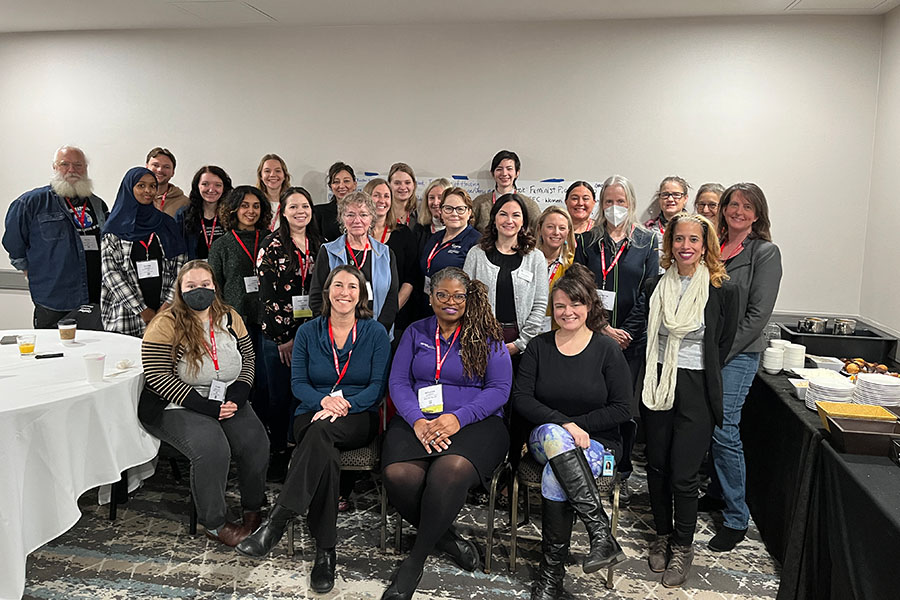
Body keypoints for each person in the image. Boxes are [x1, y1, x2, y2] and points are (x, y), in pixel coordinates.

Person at [237, 265, 390, 596]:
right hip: (312, 411)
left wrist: (344, 404)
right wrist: (323, 400)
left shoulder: (375, 333)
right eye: (338, 285)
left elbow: (377, 388)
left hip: (357, 415)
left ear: (361, 294)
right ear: (327, 291)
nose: (344, 292)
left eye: (352, 286)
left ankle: (276, 522)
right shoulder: (307, 331)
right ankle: (325, 552)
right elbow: (298, 384)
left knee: (322, 435)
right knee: (326, 453)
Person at [380, 267, 512, 600]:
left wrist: (458, 418)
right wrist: (417, 421)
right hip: (419, 421)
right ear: (431, 297)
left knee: (448, 472)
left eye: (458, 296)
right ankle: (448, 539)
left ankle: (415, 561)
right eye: (442, 295)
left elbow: (499, 389)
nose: (450, 302)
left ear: (468, 298)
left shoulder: (487, 335)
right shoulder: (415, 331)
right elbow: (398, 383)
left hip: (477, 423)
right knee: (398, 474)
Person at [513, 264, 630, 599]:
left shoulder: (607, 350)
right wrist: (566, 424)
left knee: (554, 473)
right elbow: (521, 398)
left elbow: (624, 409)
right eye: (560, 305)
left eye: (575, 304)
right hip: (544, 437)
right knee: (553, 435)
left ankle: (551, 576)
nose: (567, 312)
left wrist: (583, 427)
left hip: (597, 442)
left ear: (589, 306)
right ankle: (600, 532)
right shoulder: (538, 346)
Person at [139, 260, 269, 547]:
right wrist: (207, 407)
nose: (200, 290)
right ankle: (215, 522)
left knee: (255, 441)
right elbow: (158, 376)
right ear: (180, 289)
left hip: (226, 397)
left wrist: (237, 397)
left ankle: (252, 508)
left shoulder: (230, 316)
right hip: (177, 403)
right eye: (191, 286)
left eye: (205, 285)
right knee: (212, 449)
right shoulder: (165, 323)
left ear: (215, 287)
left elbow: (248, 359)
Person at [641, 213, 738, 587]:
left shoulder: (721, 289)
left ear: (705, 246)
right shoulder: (655, 284)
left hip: (696, 386)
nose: (685, 246)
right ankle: (662, 537)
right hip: (657, 380)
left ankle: (683, 546)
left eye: (693, 240)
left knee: (684, 474)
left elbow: (723, 343)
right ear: (669, 244)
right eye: (678, 239)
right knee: (657, 467)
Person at [699, 183, 782, 553]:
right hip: (707, 350)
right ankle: (717, 493)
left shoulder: (764, 253)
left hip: (739, 353)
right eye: (733, 204)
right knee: (710, 424)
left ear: (758, 214)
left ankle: (736, 517)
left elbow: (757, 316)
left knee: (724, 428)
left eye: (747, 207)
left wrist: (719, 354)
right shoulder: (714, 248)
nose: (738, 211)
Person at [580, 175, 658, 499]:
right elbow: (581, 288)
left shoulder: (647, 241)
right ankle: (589, 464)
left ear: (631, 204)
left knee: (622, 406)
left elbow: (649, 290)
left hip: (631, 340)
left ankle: (620, 471)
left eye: (621, 202)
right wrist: (602, 327)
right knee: (592, 401)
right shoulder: (586, 240)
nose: (614, 208)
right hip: (591, 336)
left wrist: (626, 331)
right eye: (609, 202)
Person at [3, 146, 109, 328]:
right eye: (64, 164)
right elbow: (14, 243)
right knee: (53, 353)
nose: (72, 170)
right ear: (54, 167)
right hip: (53, 299)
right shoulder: (30, 203)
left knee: (92, 351)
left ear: (86, 168)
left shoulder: (97, 204)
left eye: (78, 165)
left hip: (94, 298)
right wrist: (28, 270)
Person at [257, 186, 322, 478]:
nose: (300, 212)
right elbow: (267, 296)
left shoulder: (321, 244)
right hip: (278, 337)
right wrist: (284, 339)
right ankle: (278, 453)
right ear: (283, 211)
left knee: (304, 395)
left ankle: (301, 449)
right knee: (279, 396)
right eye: (293, 206)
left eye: (305, 206)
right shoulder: (271, 246)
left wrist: (306, 334)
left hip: (312, 334)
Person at [100, 167, 187, 336]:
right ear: (129, 188)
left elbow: (180, 265)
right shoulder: (114, 227)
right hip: (126, 316)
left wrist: (167, 305)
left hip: (166, 313)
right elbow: (111, 274)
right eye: (141, 186)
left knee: (161, 360)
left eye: (152, 186)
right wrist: (143, 310)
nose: (148, 191)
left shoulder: (166, 224)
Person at [463, 193, 548, 360]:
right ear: (494, 218)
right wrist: (480, 338)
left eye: (516, 215)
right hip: (482, 343)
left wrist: (520, 343)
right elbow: (466, 298)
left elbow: (540, 304)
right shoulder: (476, 254)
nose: (509, 220)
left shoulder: (535, 257)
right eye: (503, 214)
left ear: (523, 221)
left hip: (524, 346)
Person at [309, 191, 399, 335]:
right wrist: (334, 331)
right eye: (350, 215)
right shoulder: (328, 251)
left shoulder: (386, 253)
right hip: (336, 335)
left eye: (363, 215)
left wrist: (376, 333)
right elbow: (316, 297)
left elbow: (392, 298)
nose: (357, 220)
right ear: (342, 219)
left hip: (377, 334)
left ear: (372, 219)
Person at [366, 178, 421, 338]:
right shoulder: (357, 235)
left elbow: (411, 278)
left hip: (397, 317)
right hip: (361, 315)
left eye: (386, 196)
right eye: (376, 195)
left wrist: (389, 311)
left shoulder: (403, 234)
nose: (382, 201)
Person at [420, 187, 480, 297]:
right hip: (429, 302)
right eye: (448, 208)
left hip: (454, 306)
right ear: (441, 211)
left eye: (460, 209)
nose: (454, 213)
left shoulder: (476, 241)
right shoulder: (435, 237)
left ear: (469, 212)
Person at [472, 150, 540, 234]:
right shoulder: (479, 203)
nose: (504, 173)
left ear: (517, 173)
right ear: (492, 173)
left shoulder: (529, 205)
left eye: (509, 169)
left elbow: (539, 235)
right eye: (499, 169)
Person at [177, 166, 233, 260]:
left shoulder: (232, 215)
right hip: (194, 271)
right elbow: (177, 250)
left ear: (224, 188)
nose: (211, 190)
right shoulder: (184, 215)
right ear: (197, 186)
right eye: (205, 184)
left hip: (225, 273)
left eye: (218, 185)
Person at [535, 206, 576, 332]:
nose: (556, 232)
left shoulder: (572, 264)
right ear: (540, 229)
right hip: (528, 331)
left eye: (562, 228)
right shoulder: (527, 260)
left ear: (568, 232)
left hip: (562, 331)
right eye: (550, 227)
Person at [645, 176, 690, 259]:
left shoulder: (696, 227)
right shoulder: (647, 230)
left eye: (676, 195)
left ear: (685, 198)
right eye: (665, 195)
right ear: (659, 198)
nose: (670, 199)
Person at [314, 162, 357, 243]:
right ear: (330, 186)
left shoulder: (365, 212)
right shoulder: (318, 212)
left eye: (346, 181)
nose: (341, 186)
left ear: (355, 184)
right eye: (336, 182)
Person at [146, 147, 189, 217]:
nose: (160, 170)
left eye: (166, 167)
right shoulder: (135, 197)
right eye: (155, 165)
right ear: (147, 167)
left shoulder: (184, 203)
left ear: (173, 172)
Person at [563, 180, 597, 264]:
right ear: (566, 202)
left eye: (585, 199)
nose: (580, 203)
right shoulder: (557, 230)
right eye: (574, 198)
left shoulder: (600, 231)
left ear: (594, 203)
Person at [413, 177, 450, 252]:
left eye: (440, 197)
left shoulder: (458, 231)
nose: (435, 202)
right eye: (431, 198)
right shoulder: (419, 230)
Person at [256, 153, 291, 231]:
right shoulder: (255, 203)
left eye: (278, 171)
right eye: (267, 171)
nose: (272, 174)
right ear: (261, 176)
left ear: (284, 175)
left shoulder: (292, 202)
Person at [388, 162, 418, 226]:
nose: (403, 187)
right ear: (389, 185)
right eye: (397, 183)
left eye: (407, 183)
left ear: (414, 185)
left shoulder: (420, 214)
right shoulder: (382, 213)